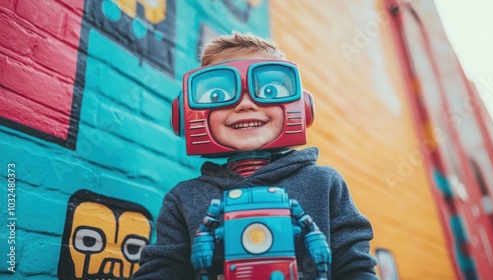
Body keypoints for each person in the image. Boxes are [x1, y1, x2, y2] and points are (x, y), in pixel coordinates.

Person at [133, 32, 377, 280]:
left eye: (270, 90)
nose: (244, 104)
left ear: (303, 106)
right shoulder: (182, 199)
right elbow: (162, 268)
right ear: (183, 115)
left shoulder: (324, 183)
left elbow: (355, 267)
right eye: (217, 95)